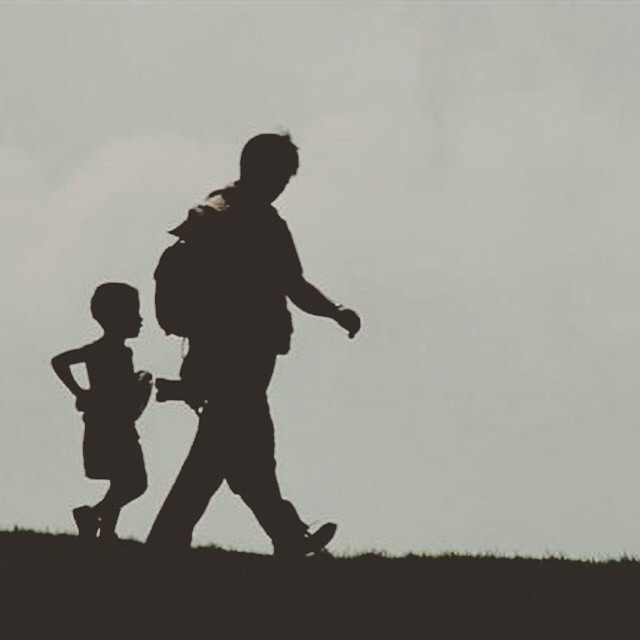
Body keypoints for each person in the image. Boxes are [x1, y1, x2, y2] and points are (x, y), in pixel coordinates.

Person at [147, 132, 361, 556]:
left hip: (232, 352)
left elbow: (291, 284)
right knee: (228, 450)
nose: (282, 186)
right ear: (258, 170)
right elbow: (292, 285)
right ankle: (178, 541)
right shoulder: (240, 219)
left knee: (239, 452)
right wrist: (335, 312)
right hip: (235, 354)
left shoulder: (218, 214)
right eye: (280, 176)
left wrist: (334, 311)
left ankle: (283, 535)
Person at [51, 282, 152, 541]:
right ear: (116, 317)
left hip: (113, 422)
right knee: (135, 482)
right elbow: (59, 361)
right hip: (112, 425)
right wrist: (80, 392)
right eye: (134, 313)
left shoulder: (118, 351)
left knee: (121, 479)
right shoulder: (102, 349)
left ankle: (106, 531)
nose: (140, 319)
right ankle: (93, 515)